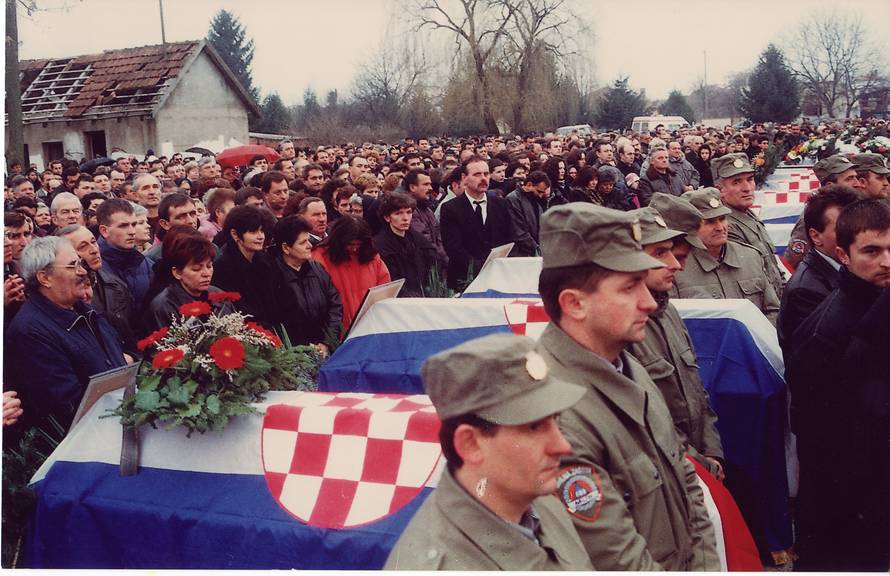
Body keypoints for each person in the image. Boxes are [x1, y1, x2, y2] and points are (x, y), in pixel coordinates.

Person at [533, 203, 720, 570]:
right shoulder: (554, 418)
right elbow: (614, 558)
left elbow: (685, 483)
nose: (649, 302)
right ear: (574, 304)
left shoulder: (628, 367)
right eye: (629, 287)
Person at [385, 333, 592, 570]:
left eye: (555, 419)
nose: (562, 446)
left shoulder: (539, 501)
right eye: (534, 426)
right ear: (470, 444)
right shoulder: (441, 565)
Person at [786, 199, 890, 571]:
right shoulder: (824, 329)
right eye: (872, 251)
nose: (887, 261)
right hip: (849, 504)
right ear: (843, 255)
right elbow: (825, 431)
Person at [627, 197, 724, 478]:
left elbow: (698, 393)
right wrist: (701, 464)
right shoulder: (623, 331)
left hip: (696, 465)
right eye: (660, 253)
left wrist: (712, 451)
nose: (677, 265)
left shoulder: (668, 313)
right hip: (668, 471)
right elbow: (646, 423)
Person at [5, 236, 126, 432]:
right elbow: (66, 406)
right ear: (44, 278)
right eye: (72, 266)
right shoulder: (30, 332)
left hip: (118, 423)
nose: (82, 271)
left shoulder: (85, 312)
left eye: (79, 263)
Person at [671, 188, 780, 324]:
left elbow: (774, 310)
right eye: (710, 221)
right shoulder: (676, 269)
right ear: (690, 227)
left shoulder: (751, 257)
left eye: (722, 219)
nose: (720, 227)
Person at [777, 185, 861, 353]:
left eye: (858, 226)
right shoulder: (804, 291)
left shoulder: (851, 267)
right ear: (815, 236)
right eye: (843, 228)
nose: (855, 235)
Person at [711, 153, 785, 296]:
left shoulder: (747, 213)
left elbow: (771, 266)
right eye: (737, 182)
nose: (747, 188)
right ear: (720, 190)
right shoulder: (726, 226)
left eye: (750, 179)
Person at [59, 224, 138, 355]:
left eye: (93, 242)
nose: (94, 250)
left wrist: (132, 357)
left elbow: (134, 333)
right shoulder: (65, 297)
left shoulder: (115, 284)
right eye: (83, 247)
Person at [270, 216, 342, 354]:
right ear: (286, 248)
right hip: (292, 357)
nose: (310, 245)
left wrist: (326, 342)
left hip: (324, 350)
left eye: (308, 240)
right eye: (303, 243)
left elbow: (335, 306)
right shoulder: (272, 276)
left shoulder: (317, 269)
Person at [440, 156, 512, 290]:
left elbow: (509, 238)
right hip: (465, 279)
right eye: (477, 174)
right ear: (464, 177)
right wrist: (480, 267)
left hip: (498, 276)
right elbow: (453, 247)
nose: (484, 178)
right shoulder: (450, 208)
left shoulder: (501, 204)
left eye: (486, 174)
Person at [144, 227, 233, 332]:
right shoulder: (164, 307)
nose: (206, 274)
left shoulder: (219, 295)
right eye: (196, 269)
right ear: (177, 272)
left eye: (209, 266)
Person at [312, 215, 390, 332]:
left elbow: (385, 288)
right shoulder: (321, 257)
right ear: (339, 240)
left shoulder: (371, 256)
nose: (354, 249)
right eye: (350, 244)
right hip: (337, 328)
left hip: (370, 325)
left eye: (358, 245)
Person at [784, 155, 863, 268]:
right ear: (830, 186)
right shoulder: (814, 217)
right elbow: (792, 262)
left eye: (856, 177)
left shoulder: (857, 209)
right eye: (849, 179)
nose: (857, 184)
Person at [211, 205, 277, 327]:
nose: (260, 236)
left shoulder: (264, 260)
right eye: (253, 231)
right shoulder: (223, 267)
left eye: (261, 230)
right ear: (235, 234)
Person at [373, 192, 437, 297]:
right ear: (387, 217)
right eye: (398, 213)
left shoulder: (419, 240)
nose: (405, 218)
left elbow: (432, 268)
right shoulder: (379, 245)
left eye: (409, 212)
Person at [97, 199, 154, 311]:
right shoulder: (94, 267)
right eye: (123, 226)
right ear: (104, 231)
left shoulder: (145, 263)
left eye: (133, 224)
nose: (132, 231)